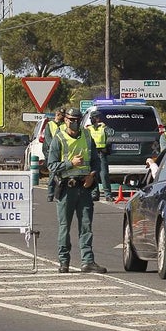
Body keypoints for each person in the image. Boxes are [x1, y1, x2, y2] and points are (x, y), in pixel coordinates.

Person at [46, 108, 107, 274]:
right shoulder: (58, 139)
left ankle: (88, 261)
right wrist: (70, 163)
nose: (74, 122)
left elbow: (96, 161)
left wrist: (92, 176)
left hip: (85, 188)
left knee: (86, 226)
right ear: (65, 120)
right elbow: (51, 166)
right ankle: (64, 262)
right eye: (71, 119)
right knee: (65, 227)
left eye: (77, 119)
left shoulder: (87, 136)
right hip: (67, 188)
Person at [85, 110, 112, 202]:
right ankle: (94, 194)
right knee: (93, 174)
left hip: (101, 153)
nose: (92, 120)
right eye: (91, 118)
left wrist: (106, 127)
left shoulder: (103, 127)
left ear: (98, 118)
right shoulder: (89, 129)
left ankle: (108, 194)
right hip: (92, 154)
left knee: (104, 175)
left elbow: (112, 133)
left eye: (94, 118)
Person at [43, 108, 67, 202]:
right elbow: (48, 139)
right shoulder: (49, 124)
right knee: (52, 174)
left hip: (63, 151)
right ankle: (50, 194)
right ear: (57, 114)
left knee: (63, 174)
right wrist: (54, 147)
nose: (62, 116)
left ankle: (61, 194)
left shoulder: (64, 125)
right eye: (61, 115)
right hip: (52, 151)